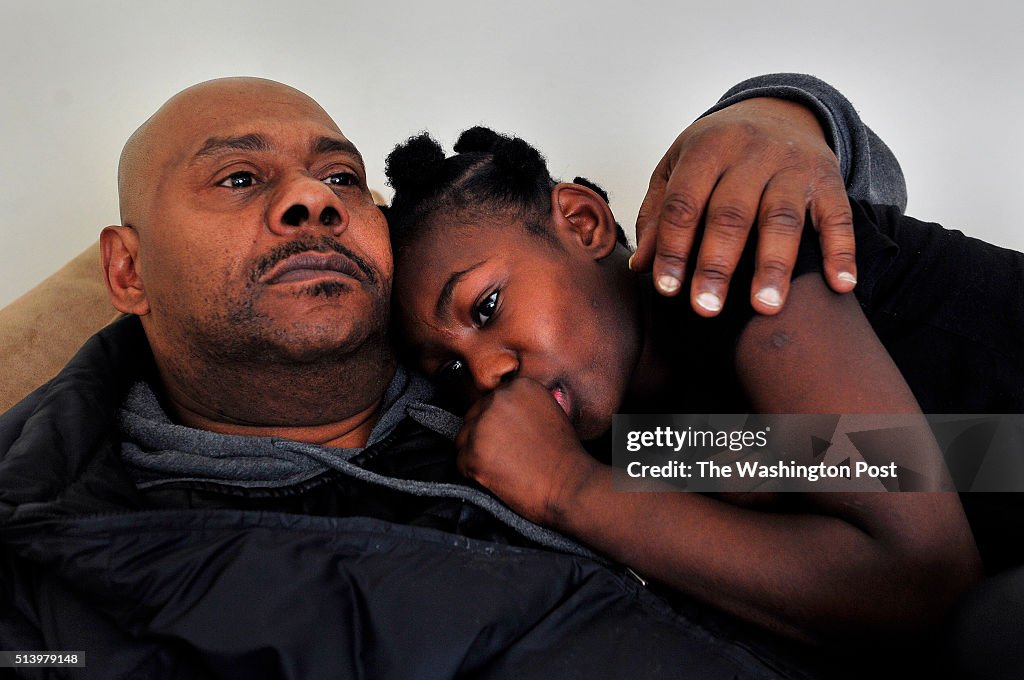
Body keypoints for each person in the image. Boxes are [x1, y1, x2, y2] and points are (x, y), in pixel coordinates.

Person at [0, 74, 906, 679]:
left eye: (341, 177)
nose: (312, 198)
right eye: (238, 178)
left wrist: (779, 113)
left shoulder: (547, 389)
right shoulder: (62, 536)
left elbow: (920, 471)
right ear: (125, 271)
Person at [384, 125, 1024, 648]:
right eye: (453, 371)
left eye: (488, 306)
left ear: (582, 224)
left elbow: (925, 578)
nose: (489, 374)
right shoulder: (646, 439)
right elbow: (959, 459)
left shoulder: (728, 251)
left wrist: (564, 488)